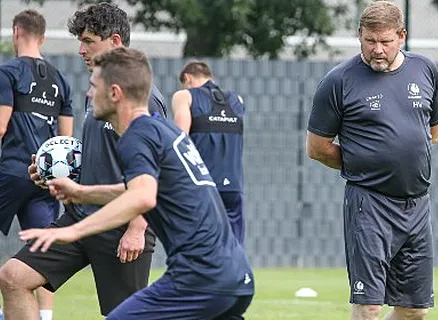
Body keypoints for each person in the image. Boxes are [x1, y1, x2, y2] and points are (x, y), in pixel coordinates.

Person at [20, 46, 255, 320]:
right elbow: (145, 189)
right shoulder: (162, 129)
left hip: (200, 279)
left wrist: (73, 232)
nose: (89, 93)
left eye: (94, 86)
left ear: (115, 93)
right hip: (235, 276)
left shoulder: (137, 136)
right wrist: (81, 193)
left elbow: (142, 197)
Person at [0, 3, 167, 319]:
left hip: (122, 226)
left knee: (123, 316)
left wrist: (137, 226)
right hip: (78, 219)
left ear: (115, 41)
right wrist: (53, 173)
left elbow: (155, 169)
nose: (80, 49)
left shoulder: (143, 98)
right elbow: (99, 157)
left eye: (89, 41)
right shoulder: (98, 93)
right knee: (13, 277)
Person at [306, 1, 438, 319]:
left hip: (417, 205)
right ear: (359, 36)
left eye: (385, 41)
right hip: (369, 204)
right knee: (369, 306)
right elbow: (317, 148)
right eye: (370, 41)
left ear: (402, 36)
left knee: (414, 311)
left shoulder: (425, 69)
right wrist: (363, 163)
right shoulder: (338, 80)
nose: (378, 50)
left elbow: (433, 131)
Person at [0, 9, 74, 320]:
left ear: (16, 32)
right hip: (46, 180)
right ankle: (44, 316)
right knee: (42, 250)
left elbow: (0, 126)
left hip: (10, 171)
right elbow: (66, 142)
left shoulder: (7, 73)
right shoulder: (60, 79)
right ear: (42, 37)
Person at [171, 61, 246, 245]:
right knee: (233, 249)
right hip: (233, 188)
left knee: (198, 249)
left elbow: (180, 141)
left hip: (201, 186)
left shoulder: (184, 96)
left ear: (187, 78)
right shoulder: (237, 100)